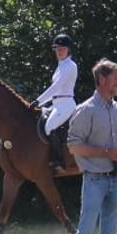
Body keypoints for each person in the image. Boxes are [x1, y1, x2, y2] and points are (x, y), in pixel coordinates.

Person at [65, 58, 117, 234]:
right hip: (94, 181)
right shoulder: (85, 110)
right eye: (115, 78)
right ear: (101, 80)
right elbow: (74, 146)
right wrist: (106, 153)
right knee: (86, 231)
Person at [31, 33, 78, 166]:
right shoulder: (61, 66)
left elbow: (56, 87)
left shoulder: (70, 66)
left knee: (49, 127)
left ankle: (58, 159)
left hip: (66, 103)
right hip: (56, 103)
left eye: (62, 49)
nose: (59, 52)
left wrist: (38, 101)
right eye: (57, 49)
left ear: (68, 50)